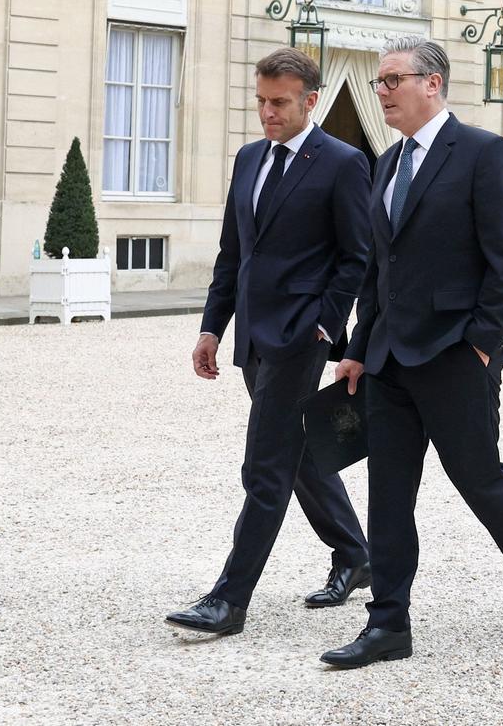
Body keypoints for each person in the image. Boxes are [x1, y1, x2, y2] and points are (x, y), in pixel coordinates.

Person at [321, 39, 503, 669]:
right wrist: (358, 348)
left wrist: (482, 344)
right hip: (389, 361)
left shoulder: (484, 153)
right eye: (378, 82)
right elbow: (381, 268)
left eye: (393, 79)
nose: (382, 91)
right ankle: (389, 626)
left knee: (478, 479)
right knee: (388, 491)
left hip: (456, 353)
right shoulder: (387, 161)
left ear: (433, 84)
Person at [167, 48, 374, 639]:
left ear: (311, 99)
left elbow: (356, 256)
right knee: (297, 449)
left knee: (263, 465)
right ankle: (355, 554)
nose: (267, 113)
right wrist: (212, 326)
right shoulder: (249, 158)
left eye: (279, 102)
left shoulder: (343, 162)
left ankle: (229, 600)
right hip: (252, 336)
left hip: (300, 337)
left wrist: (326, 325)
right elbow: (234, 253)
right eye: (260, 101)